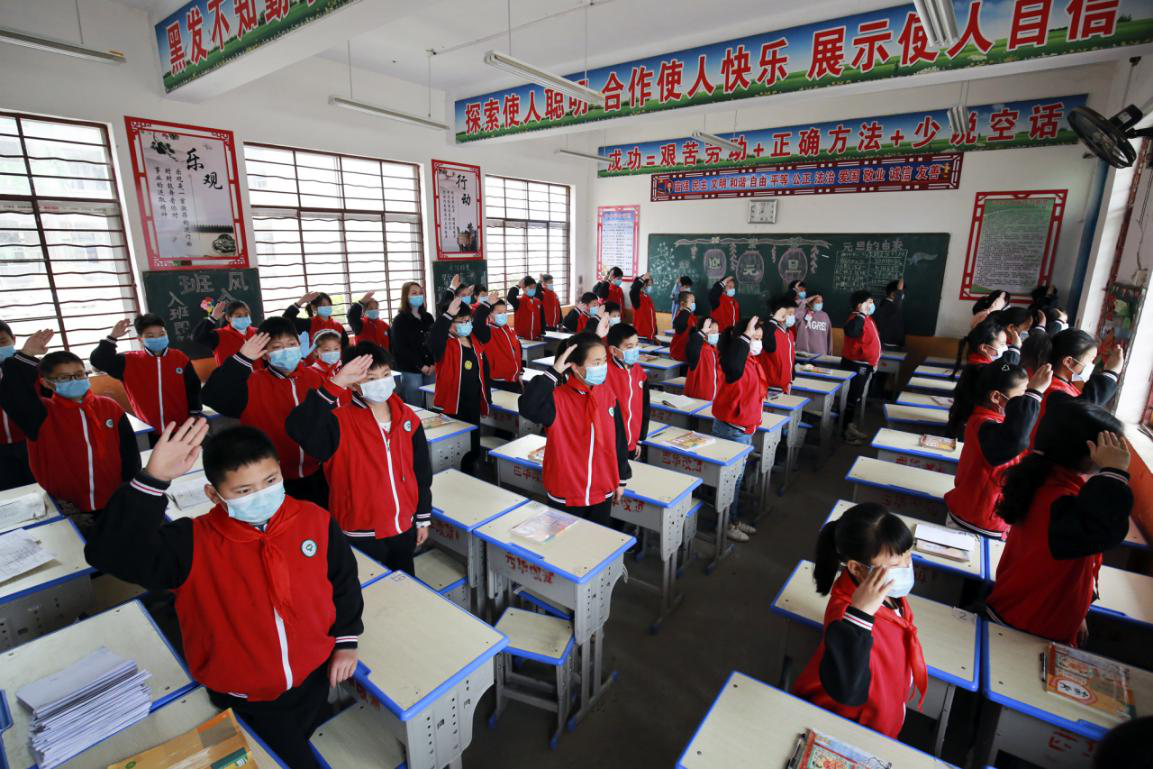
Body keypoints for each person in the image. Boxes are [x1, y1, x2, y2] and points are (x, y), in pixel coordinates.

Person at [84, 419, 363, 769]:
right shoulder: (190, 544)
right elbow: (108, 554)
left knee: (306, 734)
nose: (262, 495)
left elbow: (343, 582)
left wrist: (347, 640)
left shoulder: (314, 520)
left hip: (314, 677)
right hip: (246, 697)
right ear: (213, 494)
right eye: (244, 490)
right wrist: (152, 480)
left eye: (271, 481)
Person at [987, 400, 1132, 645]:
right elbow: (1104, 530)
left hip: (1025, 611)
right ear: (1089, 453)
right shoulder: (1058, 499)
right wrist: (1115, 472)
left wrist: (1080, 609)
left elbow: (1074, 557)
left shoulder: (1045, 481)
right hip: (1028, 626)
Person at [287, 345, 432, 576]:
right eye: (371, 378)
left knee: (405, 582)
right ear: (354, 384)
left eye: (385, 375)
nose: (381, 382)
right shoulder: (337, 423)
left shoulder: (408, 418)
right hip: (359, 532)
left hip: (403, 525)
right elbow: (297, 427)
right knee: (367, 589)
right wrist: (335, 384)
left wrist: (422, 517)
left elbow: (421, 471)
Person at [792, 503, 926, 739]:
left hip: (887, 703)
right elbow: (847, 689)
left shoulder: (884, 590)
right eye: (895, 565)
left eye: (908, 556)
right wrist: (861, 613)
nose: (907, 567)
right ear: (856, 568)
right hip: (858, 727)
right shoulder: (847, 614)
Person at [0, 329, 140, 525]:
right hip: (70, 507)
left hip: (114, 499)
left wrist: (131, 490)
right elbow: (12, 392)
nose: (74, 381)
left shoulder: (109, 407)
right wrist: (26, 355)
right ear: (46, 383)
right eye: (64, 378)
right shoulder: (40, 413)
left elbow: (130, 454)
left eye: (79, 374)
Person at [201, 318, 330, 507]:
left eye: (291, 344)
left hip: (318, 473)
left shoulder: (316, 378)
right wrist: (242, 358)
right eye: (277, 347)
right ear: (265, 354)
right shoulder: (251, 383)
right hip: (271, 480)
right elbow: (212, 396)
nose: (286, 350)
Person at [518, 334, 630, 526]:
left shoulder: (608, 395)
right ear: (576, 367)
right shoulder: (557, 399)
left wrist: (621, 479)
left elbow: (619, 439)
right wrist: (554, 372)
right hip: (566, 494)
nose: (603, 367)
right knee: (564, 544)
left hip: (602, 491)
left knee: (596, 541)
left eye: (604, 361)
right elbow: (527, 407)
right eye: (596, 363)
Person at [943, 363, 1051, 538]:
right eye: (1022, 396)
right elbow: (1015, 441)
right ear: (996, 397)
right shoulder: (982, 423)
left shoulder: (995, 420)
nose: (1023, 402)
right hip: (975, 521)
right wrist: (1033, 394)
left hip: (982, 515)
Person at [90, 314, 201, 432]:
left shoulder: (179, 357)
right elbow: (98, 361)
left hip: (181, 427)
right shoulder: (128, 361)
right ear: (140, 339)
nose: (157, 338)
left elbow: (193, 387)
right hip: (149, 429)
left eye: (161, 334)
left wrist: (194, 413)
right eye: (150, 336)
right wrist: (112, 337)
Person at [712, 318, 768, 542]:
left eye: (760, 339)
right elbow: (734, 367)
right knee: (732, 482)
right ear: (741, 339)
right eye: (754, 338)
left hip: (743, 428)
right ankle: (727, 523)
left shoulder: (750, 361)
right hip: (732, 430)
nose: (758, 343)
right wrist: (744, 336)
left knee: (735, 480)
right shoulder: (733, 363)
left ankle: (732, 518)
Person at [1029, 328, 1123, 445]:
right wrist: (1110, 373)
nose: (1091, 365)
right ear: (1069, 361)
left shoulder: (1060, 382)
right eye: (1090, 360)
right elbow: (1084, 409)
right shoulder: (1051, 389)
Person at [430, 296, 490, 475]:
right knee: (456, 448)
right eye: (461, 321)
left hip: (473, 401)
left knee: (473, 444)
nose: (466, 324)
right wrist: (447, 315)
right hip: (453, 404)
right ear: (449, 323)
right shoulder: (444, 344)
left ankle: (472, 472)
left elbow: (483, 371)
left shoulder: (474, 340)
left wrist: (486, 397)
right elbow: (433, 340)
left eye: (468, 320)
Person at [947, 320, 1014, 438]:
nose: (1006, 348)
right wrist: (1015, 351)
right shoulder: (983, 370)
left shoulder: (976, 363)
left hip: (964, 424)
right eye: (1002, 343)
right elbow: (1008, 371)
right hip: (970, 429)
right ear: (984, 348)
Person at [604, 322, 650, 459]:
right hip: (610, 446)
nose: (635, 350)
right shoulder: (604, 373)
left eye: (636, 345)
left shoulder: (639, 372)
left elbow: (645, 407)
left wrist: (640, 439)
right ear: (613, 350)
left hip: (632, 443)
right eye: (629, 347)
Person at [840, 290, 881, 444]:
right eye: (869, 302)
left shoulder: (866, 318)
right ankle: (846, 431)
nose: (872, 305)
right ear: (860, 305)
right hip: (856, 365)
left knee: (855, 397)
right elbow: (851, 332)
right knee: (851, 398)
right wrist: (862, 314)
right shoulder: (856, 318)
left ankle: (849, 426)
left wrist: (874, 360)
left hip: (865, 365)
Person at [0, 320, 34, 489]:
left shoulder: (30, 366)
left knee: (40, 488)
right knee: (8, 493)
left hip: (31, 442)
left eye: (2, 341)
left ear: (13, 339)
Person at [390, 281, 435, 406]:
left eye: (420, 293)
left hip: (430, 366)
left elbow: (433, 341)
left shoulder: (428, 317)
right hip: (410, 368)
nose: (418, 296)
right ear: (406, 296)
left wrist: (433, 363)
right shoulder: (400, 320)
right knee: (415, 402)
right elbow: (401, 348)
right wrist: (421, 366)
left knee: (432, 402)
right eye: (414, 293)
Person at [474, 291, 523, 390]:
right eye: (499, 313)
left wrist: (520, 373)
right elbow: (477, 320)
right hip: (497, 382)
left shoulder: (510, 330)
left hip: (514, 379)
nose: (503, 315)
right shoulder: (486, 332)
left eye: (505, 312)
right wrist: (487, 303)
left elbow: (517, 352)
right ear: (489, 314)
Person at [193, 299, 257, 367]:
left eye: (246, 315)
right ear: (228, 318)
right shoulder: (219, 335)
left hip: (258, 373)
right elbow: (198, 337)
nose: (243, 318)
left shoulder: (257, 332)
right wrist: (212, 318)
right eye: (238, 316)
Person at [756, 295, 796, 395]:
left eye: (793, 314)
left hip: (786, 384)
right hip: (772, 386)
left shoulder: (789, 333)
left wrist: (791, 376)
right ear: (779, 313)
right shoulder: (770, 332)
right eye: (790, 313)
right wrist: (773, 319)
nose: (792, 316)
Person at [284, 291, 348, 348]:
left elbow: (345, 347)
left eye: (329, 305)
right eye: (323, 305)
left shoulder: (338, 326)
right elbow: (286, 319)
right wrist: (301, 301)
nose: (327, 307)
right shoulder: (308, 324)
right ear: (314, 307)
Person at [684, 318, 722, 401]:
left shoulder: (714, 350)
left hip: (712, 399)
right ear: (703, 334)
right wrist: (702, 331)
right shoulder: (699, 351)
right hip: (699, 400)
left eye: (717, 332)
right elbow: (692, 346)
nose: (716, 335)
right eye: (713, 332)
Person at [506, 276, 545, 341]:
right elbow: (510, 297)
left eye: (534, 287)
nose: (533, 289)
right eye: (530, 287)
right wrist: (518, 286)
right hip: (522, 338)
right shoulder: (519, 301)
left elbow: (542, 318)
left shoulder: (538, 301)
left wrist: (542, 332)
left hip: (536, 337)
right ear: (524, 288)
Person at [873, 278, 905, 349]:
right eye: (902, 293)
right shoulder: (888, 305)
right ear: (893, 294)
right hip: (889, 344)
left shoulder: (884, 304)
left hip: (888, 343)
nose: (903, 295)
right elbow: (896, 308)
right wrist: (899, 291)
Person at [669, 291, 698, 362]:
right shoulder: (682, 315)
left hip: (685, 355)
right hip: (678, 355)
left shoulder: (690, 315)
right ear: (682, 303)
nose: (694, 304)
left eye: (694, 302)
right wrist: (686, 309)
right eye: (692, 301)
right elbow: (680, 325)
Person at [628, 272, 658, 340]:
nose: (649, 287)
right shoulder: (637, 297)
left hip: (650, 336)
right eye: (648, 285)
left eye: (650, 285)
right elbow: (633, 291)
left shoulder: (647, 297)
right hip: (641, 337)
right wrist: (643, 278)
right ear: (643, 284)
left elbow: (652, 317)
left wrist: (654, 333)